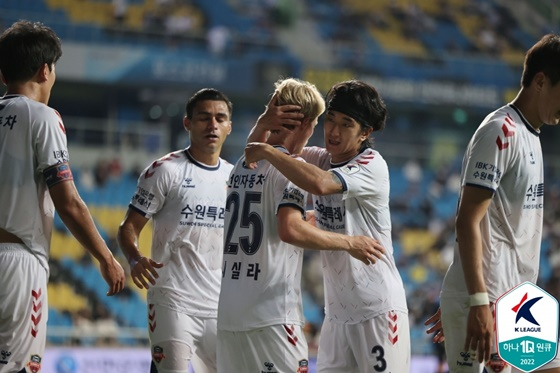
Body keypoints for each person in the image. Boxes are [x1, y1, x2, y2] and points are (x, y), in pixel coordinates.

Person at [217, 78, 385, 373]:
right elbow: (289, 229)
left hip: (229, 315)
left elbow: (265, 210)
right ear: (305, 123)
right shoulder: (293, 171)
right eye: (321, 121)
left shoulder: (242, 166)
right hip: (272, 317)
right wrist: (350, 242)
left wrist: (262, 124)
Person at [425, 34, 560, 372]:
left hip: (519, 299)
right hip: (491, 298)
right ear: (541, 81)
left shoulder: (532, 134)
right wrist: (475, 300)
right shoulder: (500, 131)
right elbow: (466, 219)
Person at [0, 20, 125, 373]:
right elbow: (68, 201)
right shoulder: (42, 117)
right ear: (45, 70)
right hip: (16, 261)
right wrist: (105, 257)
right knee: (19, 367)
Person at [117, 88, 234, 373]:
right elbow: (128, 227)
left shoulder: (236, 178)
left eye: (220, 118)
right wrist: (134, 258)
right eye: (204, 118)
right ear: (187, 123)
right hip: (172, 299)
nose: (213, 125)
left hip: (221, 304)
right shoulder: (165, 171)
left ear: (229, 126)